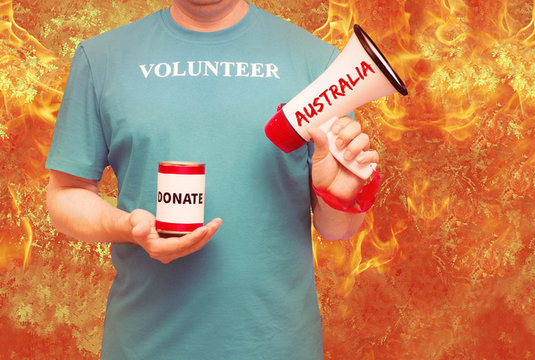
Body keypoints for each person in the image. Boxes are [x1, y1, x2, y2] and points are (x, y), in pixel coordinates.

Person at [45, 0, 380, 358]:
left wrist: (336, 191)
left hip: (276, 346)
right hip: (144, 346)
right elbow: (66, 194)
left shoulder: (320, 66)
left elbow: (337, 229)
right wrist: (126, 226)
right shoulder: (102, 58)